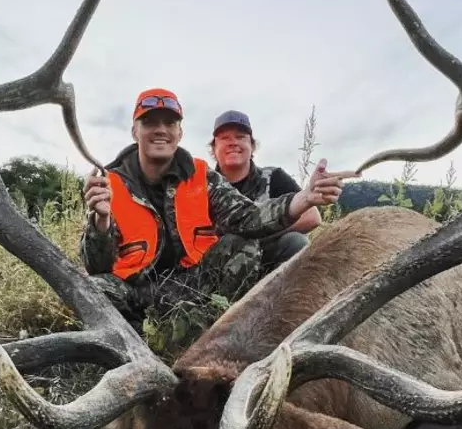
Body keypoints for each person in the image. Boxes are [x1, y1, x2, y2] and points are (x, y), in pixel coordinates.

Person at [80, 87, 343, 327]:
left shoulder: (202, 176)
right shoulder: (108, 184)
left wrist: (305, 198)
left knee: (243, 245)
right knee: (90, 289)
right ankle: (137, 337)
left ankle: (215, 328)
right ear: (134, 131)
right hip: (137, 291)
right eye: (149, 122)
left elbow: (249, 217)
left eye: (169, 122)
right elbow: (97, 266)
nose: (160, 129)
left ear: (179, 133)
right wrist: (100, 221)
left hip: (196, 286)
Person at [209, 109, 319, 271]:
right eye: (224, 138)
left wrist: (258, 232)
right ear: (213, 149)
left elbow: (312, 217)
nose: (233, 142)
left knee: (295, 242)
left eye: (240, 137)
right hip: (218, 262)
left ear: (252, 146)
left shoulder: (273, 177)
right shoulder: (202, 183)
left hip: (267, 259)